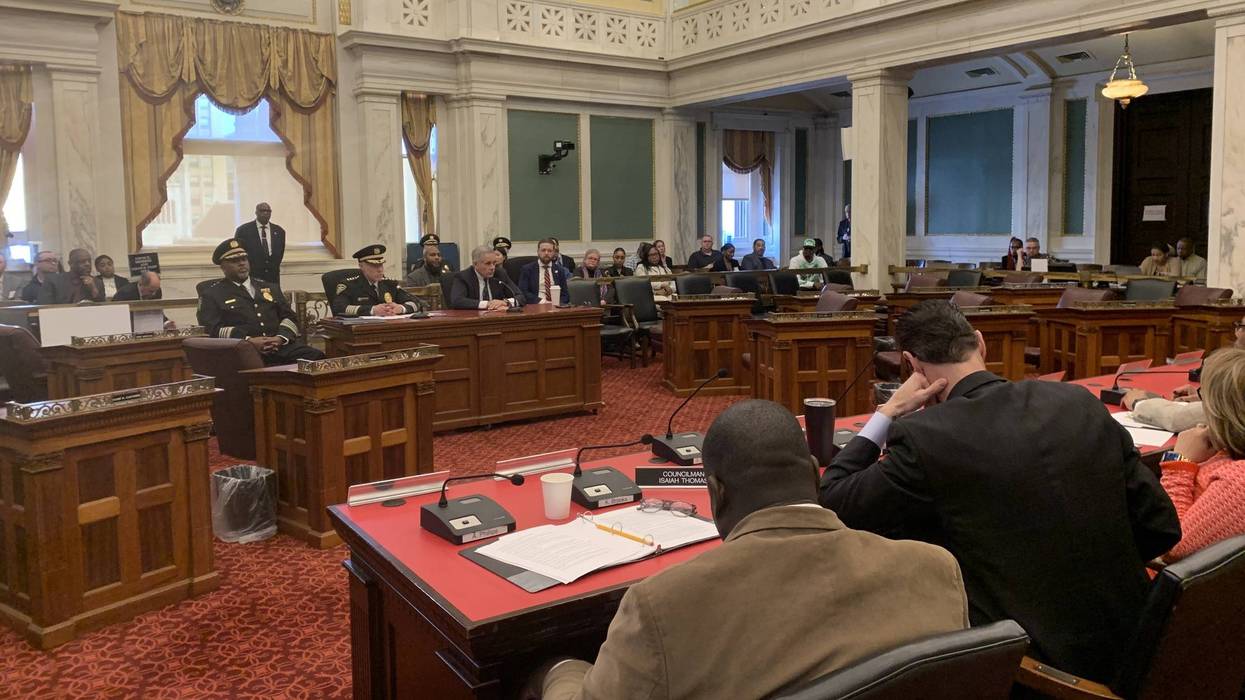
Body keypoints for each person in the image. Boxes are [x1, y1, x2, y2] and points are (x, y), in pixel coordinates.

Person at [820, 300, 1180, 683]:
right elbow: (1160, 527)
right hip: (1145, 647)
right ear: (980, 343)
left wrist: (888, 412)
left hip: (1039, 673)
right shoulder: (1080, 403)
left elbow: (833, 499)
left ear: (913, 365)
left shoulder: (927, 437)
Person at [538, 400, 969, 700]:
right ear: (814, 478)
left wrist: (558, 671)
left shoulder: (662, 605)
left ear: (716, 493)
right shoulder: (935, 569)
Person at [1156, 347, 1245, 562]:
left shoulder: (1236, 483)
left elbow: (1170, 546)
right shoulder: (1228, 457)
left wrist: (1179, 464)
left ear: (1221, 410)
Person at [197, 238, 324, 365]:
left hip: (280, 347)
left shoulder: (269, 287)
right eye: (235, 261)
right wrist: (248, 341)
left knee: (317, 358)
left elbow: (289, 317)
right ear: (223, 267)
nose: (242, 264)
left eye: (244, 259)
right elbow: (211, 329)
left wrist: (279, 338)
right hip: (242, 350)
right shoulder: (212, 294)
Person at [332, 245, 426, 317]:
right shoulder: (349, 285)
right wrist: (372, 310)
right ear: (361, 266)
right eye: (374, 266)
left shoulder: (390, 284)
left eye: (381, 265)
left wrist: (400, 308)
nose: (380, 270)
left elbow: (415, 303)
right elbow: (339, 308)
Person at [448, 245, 521, 310]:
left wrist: (505, 302)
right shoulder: (463, 277)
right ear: (475, 264)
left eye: (494, 263)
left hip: (496, 319)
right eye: (488, 263)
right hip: (472, 320)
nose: (492, 267)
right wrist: (487, 304)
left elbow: (520, 297)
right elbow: (457, 301)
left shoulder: (500, 274)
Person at [235, 202, 285, 284]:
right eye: (262, 211)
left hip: (273, 278)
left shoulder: (279, 231)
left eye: (268, 211)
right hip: (252, 276)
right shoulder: (243, 230)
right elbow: (239, 253)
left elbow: (280, 253)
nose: (265, 213)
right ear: (256, 212)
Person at [37, 248, 104, 303]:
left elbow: (104, 308)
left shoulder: (97, 282)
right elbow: (45, 307)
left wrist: (93, 289)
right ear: (71, 263)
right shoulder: (54, 281)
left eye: (89, 261)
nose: (87, 264)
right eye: (82, 261)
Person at [518, 238, 571, 305]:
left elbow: (565, 294)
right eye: (543, 250)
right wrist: (543, 302)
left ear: (554, 252)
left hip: (556, 306)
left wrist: (557, 303)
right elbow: (523, 292)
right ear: (538, 252)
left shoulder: (560, 270)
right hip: (536, 305)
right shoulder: (527, 269)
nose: (546, 253)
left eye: (549, 251)